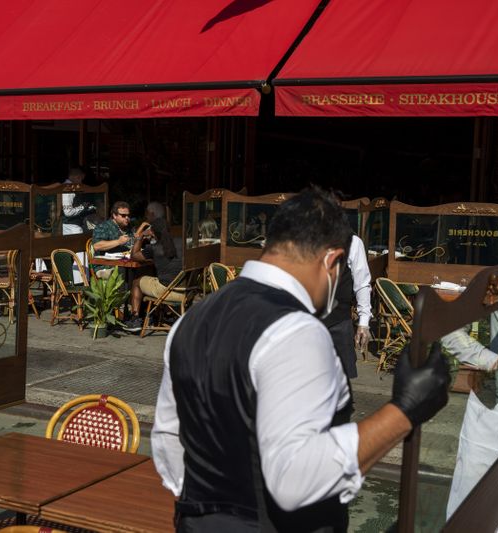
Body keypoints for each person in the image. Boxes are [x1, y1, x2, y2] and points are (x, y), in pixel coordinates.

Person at [152, 187, 450, 532]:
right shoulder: (296, 331)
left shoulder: (192, 319)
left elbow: (168, 440)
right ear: (331, 261)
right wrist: (404, 411)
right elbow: (296, 481)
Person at [122, 202, 182, 332]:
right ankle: (167, 315)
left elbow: (134, 255)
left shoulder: (154, 249)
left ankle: (135, 318)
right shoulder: (182, 243)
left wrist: (141, 236)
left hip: (167, 291)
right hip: (186, 291)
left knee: (137, 282)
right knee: (158, 275)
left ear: (153, 233)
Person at [322, 233, 372, 383]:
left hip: (337, 321)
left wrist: (363, 322)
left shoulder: (351, 242)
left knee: (339, 380)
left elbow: (362, 283)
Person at [91, 201, 145, 279]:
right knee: (121, 271)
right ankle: (124, 291)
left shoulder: (129, 227)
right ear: (114, 215)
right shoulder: (103, 227)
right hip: (105, 266)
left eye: (128, 215)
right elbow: (97, 246)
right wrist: (118, 242)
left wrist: (141, 239)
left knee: (144, 269)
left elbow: (132, 243)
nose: (127, 218)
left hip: (126, 263)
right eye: (123, 215)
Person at [61, 167, 95, 235]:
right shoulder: (69, 189)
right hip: (70, 227)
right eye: (81, 179)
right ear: (77, 177)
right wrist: (83, 207)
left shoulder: (68, 186)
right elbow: (68, 212)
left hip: (71, 225)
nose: (81, 182)